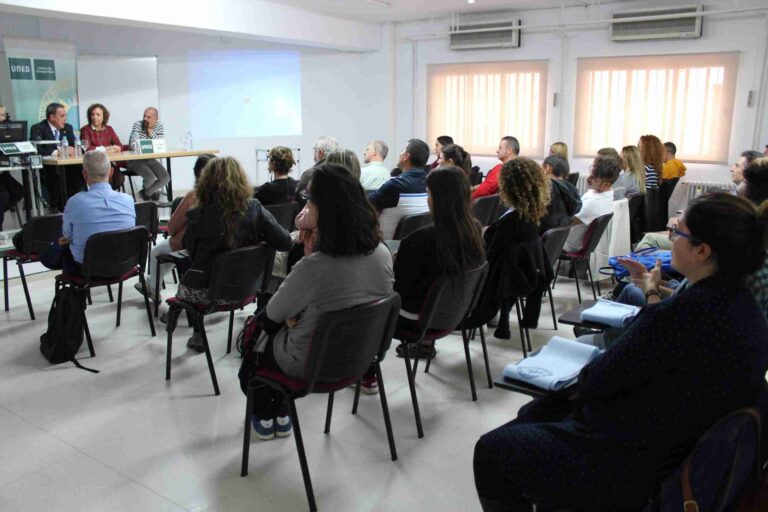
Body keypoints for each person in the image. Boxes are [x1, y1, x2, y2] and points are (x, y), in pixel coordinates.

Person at [474, 192, 768, 512]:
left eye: (678, 232)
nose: (671, 238)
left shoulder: (681, 315)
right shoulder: (744, 310)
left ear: (702, 250)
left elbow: (597, 380)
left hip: (635, 463)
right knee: (534, 417)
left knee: (492, 450)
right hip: (683, 449)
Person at [238, 163, 393, 439]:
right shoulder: (382, 253)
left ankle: (269, 411)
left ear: (324, 209)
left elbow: (273, 313)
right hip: (360, 356)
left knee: (258, 332)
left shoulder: (316, 266)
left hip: (310, 363)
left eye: (310, 200)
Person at [179, 156, 291, 351]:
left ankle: (198, 333)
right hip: (249, 288)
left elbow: (194, 256)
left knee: (186, 269)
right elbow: (285, 242)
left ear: (206, 183)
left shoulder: (196, 215)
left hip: (208, 294)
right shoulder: (254, 208)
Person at [392, 166, 485, 362]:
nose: (427, 199)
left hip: (414, 320)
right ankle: (426, 345)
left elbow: (399, 289)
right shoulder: (474, 230)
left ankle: (368, 372)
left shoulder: (420, 239)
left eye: (428, 193)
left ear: (438, 198)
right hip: (455, 312)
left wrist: (396, 263)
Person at [481, 158, 551, 339]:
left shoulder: (510, 223)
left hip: (493, 284)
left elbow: (490, 258)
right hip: (518, 277)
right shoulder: (531, 214)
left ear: (507, 187)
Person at [39, 151, 135, 276]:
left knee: (56, 247)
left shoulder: (75, 202)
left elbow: (67, 236)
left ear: (84, 174)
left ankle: (71, 294)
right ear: (111, 172)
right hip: (124, 264)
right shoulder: (128, 199)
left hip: (87, 268)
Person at [139, 154, 215, 299]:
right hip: (215, 246)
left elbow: (172, 227)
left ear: (197, 172)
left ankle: (153, 289)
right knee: (169, 251)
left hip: (190, 245)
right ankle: (151, 283)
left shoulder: (194, 196)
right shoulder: (227, 195)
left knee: (157, 252)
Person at [368, 139, 430, 239]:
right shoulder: (429, 183)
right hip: (416, 244)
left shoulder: (395, 185)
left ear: (406, 156)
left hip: (387, 246)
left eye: (402, 151)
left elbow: (364, 202)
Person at [30, 102, 83, 211]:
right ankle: (56, 208)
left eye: (65, 115)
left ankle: (76, 205)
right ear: (52, 117)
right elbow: (38, 149)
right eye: (62, 116)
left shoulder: (68, 128)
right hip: (48, 169)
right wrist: (57, 152)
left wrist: (73, 150)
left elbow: (74, 146)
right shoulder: (38, 128)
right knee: (56, 177)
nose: (65, 119)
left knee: (80, 171)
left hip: (66, 168)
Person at [562, 156, 620, 252]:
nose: (588, 179)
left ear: (606, 185)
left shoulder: (593, 202)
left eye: (594, 178)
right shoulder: (609, 193)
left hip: (568, 243)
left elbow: (567, 222)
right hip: (577, 241)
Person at [79, 103, 126, 190]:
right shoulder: (85, 130)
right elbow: (86, 148)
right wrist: (105, 149)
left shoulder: (109, 129)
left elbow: (120, 144)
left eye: (98, 115)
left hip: (107, 161)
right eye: (92, 114)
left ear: (104, 116)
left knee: (119, 179)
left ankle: (109, 195)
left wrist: (117, 148)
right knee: (106, 178)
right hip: (92, 162)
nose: (95, 117)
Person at [127, 107, 169, 201]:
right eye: (144, 116)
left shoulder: (159, 127)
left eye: (148, 117)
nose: (145, 119)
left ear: (155, 119)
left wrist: (150, 131)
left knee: (165, 178)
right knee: (150, 177)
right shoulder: (137, 125)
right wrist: (148, 145)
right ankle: (149, 197)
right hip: (135, 160)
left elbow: (160, 144)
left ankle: (147, 192)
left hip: (150, 159)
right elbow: (133, 144)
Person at [539, 154, 581, 234]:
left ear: (547, 168)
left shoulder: (546, 189)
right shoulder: (572, 189)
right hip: (556, 239)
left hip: (541, 235)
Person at [471, 136, 519, 201]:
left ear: (509, 150)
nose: (497, 151)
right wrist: (472, 188)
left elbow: (485, 190)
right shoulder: (520, 169)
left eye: (500, 148)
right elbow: (488, 184)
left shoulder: (502, 169)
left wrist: (466, 199)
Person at [296, 135, 339, 202]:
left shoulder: (309, 174)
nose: (314, 154)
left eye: (315, 150)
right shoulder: (345, 172)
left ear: (320, 153)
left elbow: (298, 198)